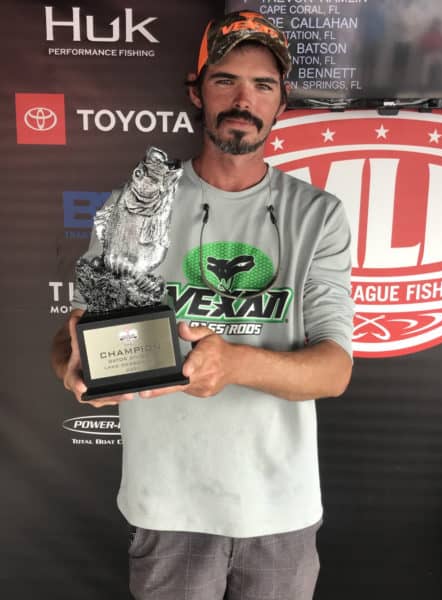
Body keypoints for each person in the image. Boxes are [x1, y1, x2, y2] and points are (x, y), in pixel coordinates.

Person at [51, 11, 354, 600]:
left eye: (262, 85)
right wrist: (75, 366)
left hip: (280, 508)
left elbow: (334, 370)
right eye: (225, 80)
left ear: (281, 101)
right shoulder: (134, 207)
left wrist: (234, 363)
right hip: (168, 506)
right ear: (196, 92)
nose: (244, 100)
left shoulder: (318, 216)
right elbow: (76, 338)